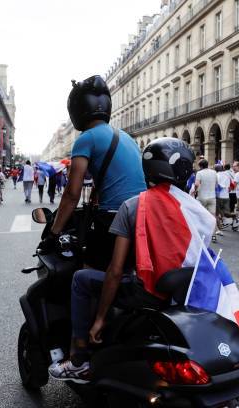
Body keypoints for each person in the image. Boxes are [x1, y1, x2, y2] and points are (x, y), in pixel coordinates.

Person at [48, 138, 208, 382]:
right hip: (183, 292)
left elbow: (114, 270)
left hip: (147, 293)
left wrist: (99, 319)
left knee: (81, 279)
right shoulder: (196, 210)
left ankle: (79, 358)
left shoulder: (134, 206)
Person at [42, 75, 147, 272]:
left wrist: (54, 233)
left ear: (77, 109)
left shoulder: (85, 139)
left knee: (86, 272)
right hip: (142, 214)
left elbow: (72, 193)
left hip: (113, 217)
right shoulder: (126, 136)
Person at [194, 159, 218, 242]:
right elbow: (216, 185)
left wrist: (195, 190)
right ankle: (214, 235)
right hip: (212, 197)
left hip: (202, 197)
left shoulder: (199, 173)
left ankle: (202, 234)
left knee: (201, 216)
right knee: (212, 216)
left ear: (200, 166)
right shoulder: (214, 172)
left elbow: (197, 184)